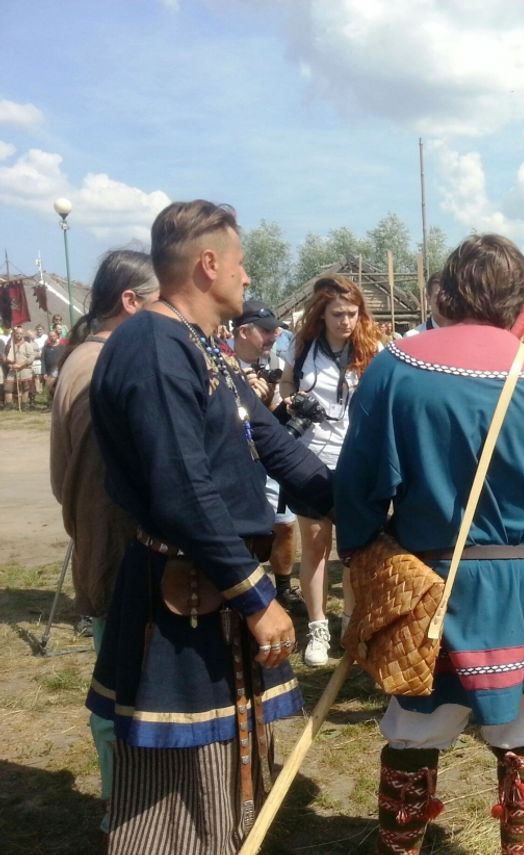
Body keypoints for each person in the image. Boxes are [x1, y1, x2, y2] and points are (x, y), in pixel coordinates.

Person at [85, 200, 334, 853]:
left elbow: (274, 445)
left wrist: (361, 510)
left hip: (214, 593)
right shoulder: (152, 347)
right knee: (179, 795)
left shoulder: (201, 346)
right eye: (241, 263)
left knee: (224, 778)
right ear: (207, 264)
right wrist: (255, 597)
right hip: (184, 601)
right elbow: (183, 490)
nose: (247, 276)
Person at [336, 234, 524, 854]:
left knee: (415, 730)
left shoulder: (397, 365)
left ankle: (402, 847)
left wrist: (361, 554)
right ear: (515, 297)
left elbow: (359, 486)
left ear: (445, 292)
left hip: (436, 585)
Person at [50, 249, 160, 834]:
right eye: (160, 300)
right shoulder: (103, 370)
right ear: (131, 302)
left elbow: (60, 480)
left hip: (104, 552)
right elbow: (107, 489)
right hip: (119, 557)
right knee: (121, 693)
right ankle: (128, 813)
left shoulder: (86, 359)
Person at [279, 274, 381, 665]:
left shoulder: (372, 349)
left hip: (356, 460)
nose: (346, 321)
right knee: (316, 546)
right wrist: (292, 400)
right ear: (321, 313)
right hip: (310, 459)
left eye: (352, 313)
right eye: (338, 313)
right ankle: (317, 628)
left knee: (353, 550)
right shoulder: (302, 347)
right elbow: (286, 383)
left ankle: (350, 624)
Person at [231, 299, 304, 616]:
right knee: (242, 529)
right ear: (244, 331)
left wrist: (286, 405)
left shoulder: (273, 362)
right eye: (266, 331)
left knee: (284, 524)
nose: (274, 336)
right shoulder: (220, 363)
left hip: (267, 456)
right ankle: (243, 590)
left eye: (275, 330)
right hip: (235, 461)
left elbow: (272, 416)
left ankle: (284, 586)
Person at [403, 271, 450, 336]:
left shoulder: (462, 335)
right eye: (438, 296)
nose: (443, 299)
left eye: (448, 295)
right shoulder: (413, 337)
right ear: (428, 299)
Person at [2, 326, 37, 407]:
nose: (18, 335)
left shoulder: (27, 345)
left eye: (20, 333)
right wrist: (11, 365)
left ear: (23, 334)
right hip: (12, 369)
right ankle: (9, 405)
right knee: (8, 387)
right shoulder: (10, 345)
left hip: (24, 369)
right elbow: (5, 357)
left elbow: (31, 357)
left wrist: (21, 365)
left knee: (25, 387)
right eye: (17, 333)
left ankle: (24, 404)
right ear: (14, 334)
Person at [40, 328, 65, 399]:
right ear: (48, 337)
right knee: (50, 389)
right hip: (49, 373)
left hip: (60, 372)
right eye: (50, 336)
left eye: (54, 336)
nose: (52, 337)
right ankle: (51, 402)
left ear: (57, 336)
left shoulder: (62, 347)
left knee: (60, 389)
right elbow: (43, 360)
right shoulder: (45, 348)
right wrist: (44, 372)